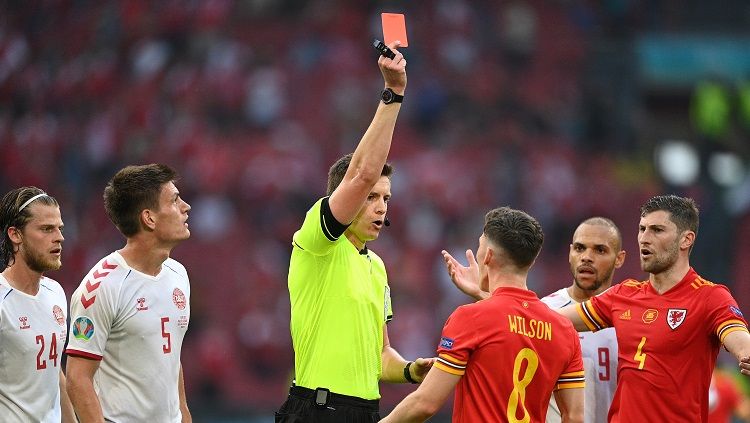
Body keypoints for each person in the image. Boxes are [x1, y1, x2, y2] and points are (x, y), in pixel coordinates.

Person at [275, 41, 433, 423]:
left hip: (364, 411)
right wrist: (393, 94)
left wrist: (412, 371)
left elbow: (379, 358)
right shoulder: (316, 243)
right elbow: (361, 174)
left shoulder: (376, 266)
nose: (380, 206)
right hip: (316, 408)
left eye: (386, 198)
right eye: (371, 197)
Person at [556, 194, 750, 422]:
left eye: (657, 230)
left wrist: (745, 353)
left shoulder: (710, 297)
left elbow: (739, 339)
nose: (644, 239)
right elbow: (553, 320)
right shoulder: (624, 294)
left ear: (686, 240)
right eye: (642, 229)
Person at [381, 207, 584, 423]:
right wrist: (483, 293)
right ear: (531, 262)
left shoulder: (471, 318)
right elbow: (574, 416)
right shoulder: (564, 330)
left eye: (479, 246)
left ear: (487, 256)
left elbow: (425, 404)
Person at [447, 216, 625, 423]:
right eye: (579, 248)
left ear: (619, 258)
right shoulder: (548, 309)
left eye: (599, 250)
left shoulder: (630, 316)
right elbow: (512, 315)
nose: (587, 257)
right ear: (569, 253)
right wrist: (482, 292)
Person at [65, 164, 193, 422]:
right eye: (175, 200)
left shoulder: (178, 274)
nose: (185, 207)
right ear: (149, 218)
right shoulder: (101, 287)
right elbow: (78, 379)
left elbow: (170, 360)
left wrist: (184, 416)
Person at [0, 187, 76, 422]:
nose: (59, 237)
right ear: (16, 235)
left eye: (59, 229)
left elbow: (54, 373)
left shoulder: (55, 293)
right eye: (46, 229)